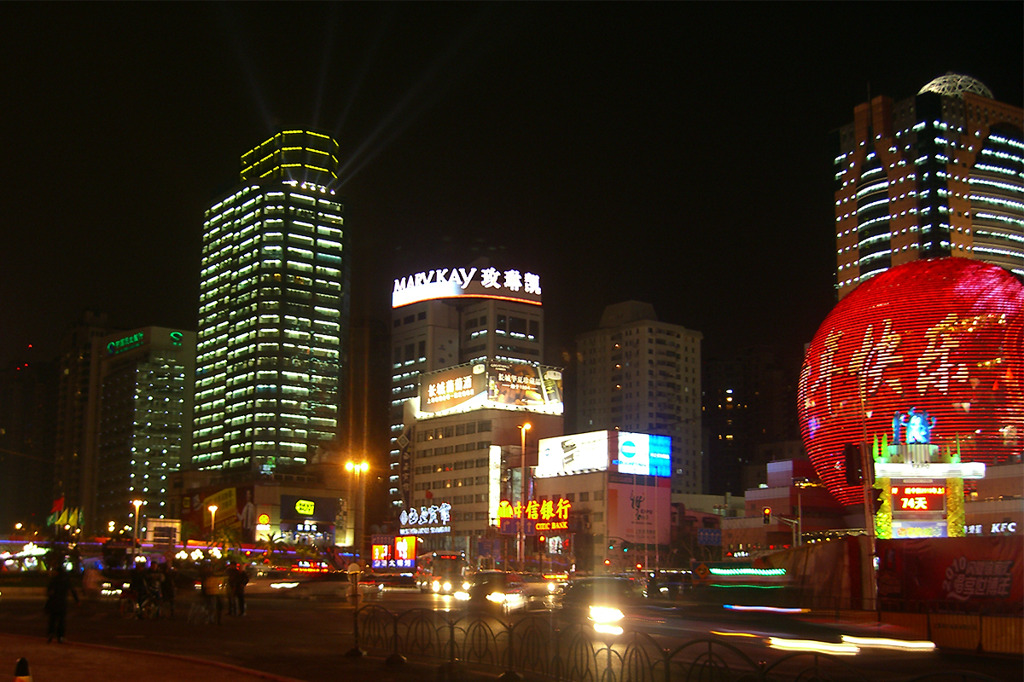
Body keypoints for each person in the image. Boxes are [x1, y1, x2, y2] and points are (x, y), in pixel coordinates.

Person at [45, 564, 79, 643]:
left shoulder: (54, 580)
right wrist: (77, 601)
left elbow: (49, 591)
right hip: (62, 603)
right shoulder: (65, 580)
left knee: (52, 620)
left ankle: (51, 634)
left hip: (53, 602)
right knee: (61, 621)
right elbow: (72, 590)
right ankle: (60, 636)